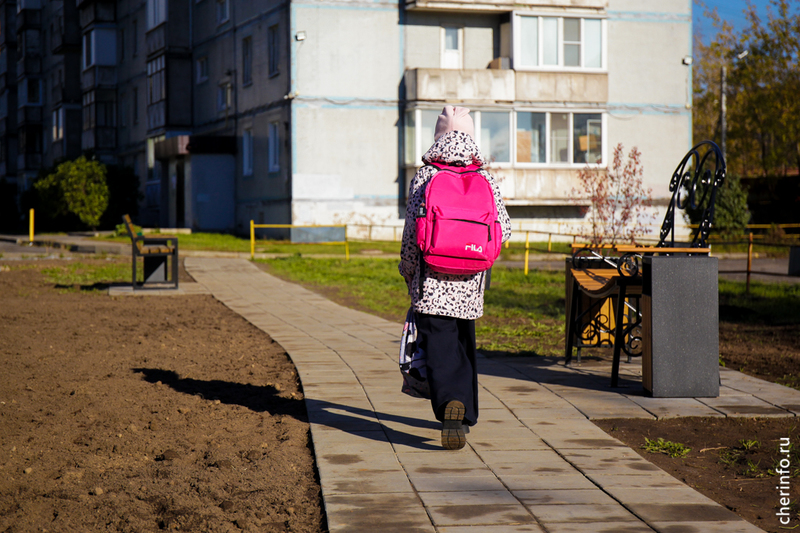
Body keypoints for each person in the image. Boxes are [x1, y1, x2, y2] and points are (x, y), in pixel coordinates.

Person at [399, 106, 512, 450]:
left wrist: (407, 270)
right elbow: (504, 228)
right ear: (471, 137)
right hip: (470, 281)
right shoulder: (486, 179)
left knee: (439, 345)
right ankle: (462, 415)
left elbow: (411, 234)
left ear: (438, 137)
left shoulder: (425, 177)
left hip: (431, 281)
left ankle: (450, 404)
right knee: (463, 344)